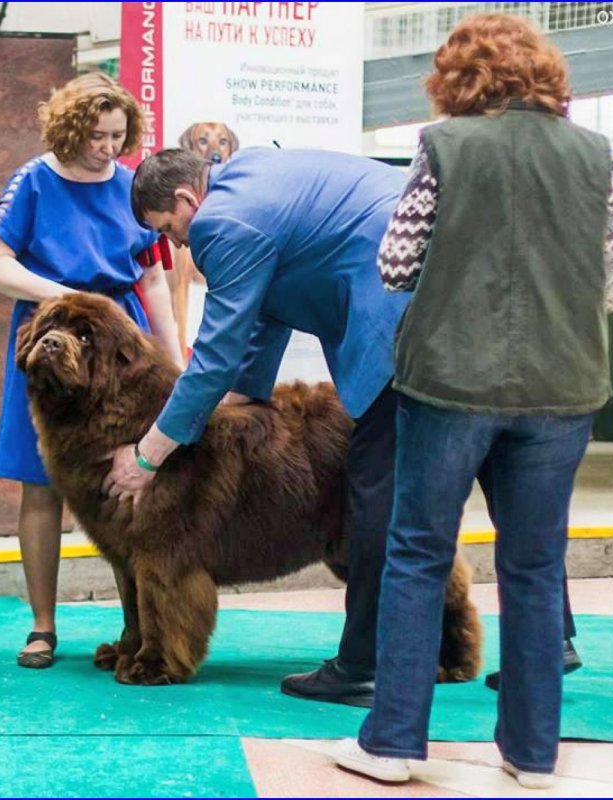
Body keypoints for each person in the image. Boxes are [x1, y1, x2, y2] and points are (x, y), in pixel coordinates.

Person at [333, 13, 613, 788]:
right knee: (533, 568)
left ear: (457, 79)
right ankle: (532, 756)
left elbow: (396, 265)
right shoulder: (595, 154)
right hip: (562, 389)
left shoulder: (443, 145)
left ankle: (394, 745)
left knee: (417, 554)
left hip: (449, 384)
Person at [102, 145, 410, 706]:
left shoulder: (220, 223)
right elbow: (258, 331)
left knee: (374, 488)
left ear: (184, 199)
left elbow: (215, 358)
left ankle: (364, 665)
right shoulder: (253, 181)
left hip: (399, 311)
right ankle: (550, 637)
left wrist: (147, 454)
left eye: (170, 230)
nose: (177, 245)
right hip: (423, 290)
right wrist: (231, 405)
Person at [0, 72, 183, 669]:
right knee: (39, 484)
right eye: (97, 136)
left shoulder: (131, 185)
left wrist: (174, 361)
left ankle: (137, 626)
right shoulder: (35, 180)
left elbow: (152, 278)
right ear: (71, 129)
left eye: (119, 136)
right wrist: (63, 300)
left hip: (121, 345)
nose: (109, 148)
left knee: (132, 486)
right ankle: (43, 627)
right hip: (51, 336)